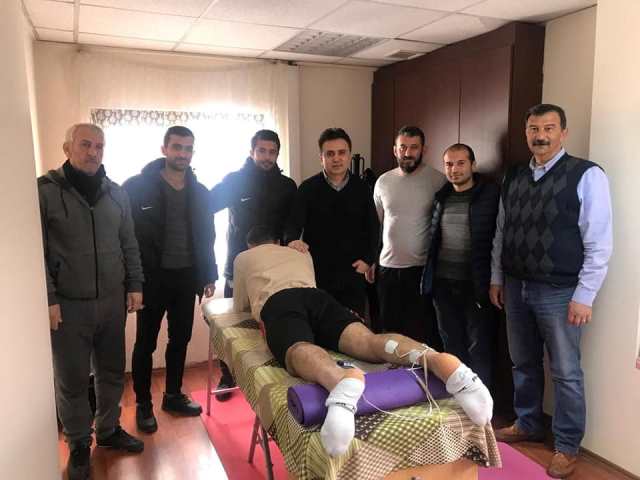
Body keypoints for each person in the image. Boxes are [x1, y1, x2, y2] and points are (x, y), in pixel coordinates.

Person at [233, 226, 493, 457]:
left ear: (251, 245)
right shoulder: (299, 252)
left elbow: (240, 306)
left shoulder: (244, 257)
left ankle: (339, 380)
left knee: (299, 348)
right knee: (369, 341)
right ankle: (434, 359)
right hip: (317, 297)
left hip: (279, 302)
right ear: (277, 241)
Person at [489, 104, 613, 479]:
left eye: (548, 128)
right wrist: (497, 278)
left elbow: (599, 242)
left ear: (563, 132)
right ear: (526, 133)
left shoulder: (586, 175)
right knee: (522, 362)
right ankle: (527, 423)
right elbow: (501, 232)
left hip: (561, 292)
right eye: (533, 128)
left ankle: (567, 445)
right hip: (515, 285)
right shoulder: (514, 177)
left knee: (566, 372)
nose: (540, 135)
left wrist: (585, 296)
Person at [39, 123, 145, 480]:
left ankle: (109, 429)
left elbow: (129, 242)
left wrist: (135, 284)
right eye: (85, 144)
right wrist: (48, 298)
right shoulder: (44, 192)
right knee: (71, 379)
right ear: (67, 148)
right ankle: (79, 444)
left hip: (112, 301)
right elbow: (36, 251)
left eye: (99, 146)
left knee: (112, 371)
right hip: (68, 305)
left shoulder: (116, 194)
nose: (93, 152)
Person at [123, 126, 217, 433]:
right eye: (177, 147)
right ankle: (143, 404)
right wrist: (132, 282)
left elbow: (207, 236)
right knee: (145, 344)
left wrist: (208, 273)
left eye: (188, 148)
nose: (182, 154)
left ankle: (173, 395)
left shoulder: (200, 192)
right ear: (164, 149)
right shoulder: (137, 187)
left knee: (180, 340)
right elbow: (125, 235)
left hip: (186, 278)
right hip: (151, 279)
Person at [210, 129, 297, 399]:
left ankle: (267, 375)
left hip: (274, 270)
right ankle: (227, 376)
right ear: (252, 152)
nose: (267, 157)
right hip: (238, 267)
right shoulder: (234, 181)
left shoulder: (287, 186)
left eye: (272, 152)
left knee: (271, 323)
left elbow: (293, 225)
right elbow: (205, 205)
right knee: (232, 326)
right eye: (262, 151)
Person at [421, 144, 500, 388]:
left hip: (476, 285)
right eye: (449, 164)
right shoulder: (441, 197)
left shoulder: (490, 195)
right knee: (451, 348)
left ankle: (482, 403)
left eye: (460, 163)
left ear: (473, 165)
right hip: (443, 285)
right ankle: (457, 400)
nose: (454, 169)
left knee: (479, 348)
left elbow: (499, 239)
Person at [285, 128, 379, 317]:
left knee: (353, 327)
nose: (336, 158)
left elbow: (373, 228)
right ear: (321, 158)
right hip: (317, 274)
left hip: (353, 274)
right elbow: (293, 224)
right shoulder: (307, 189)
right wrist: (292, 240)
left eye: (341, 153)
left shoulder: (362, 188)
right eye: (330, 154)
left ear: (349, 155)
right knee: (320, 325)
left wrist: (368, 260)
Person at [372, 126, 447, 347]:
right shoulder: (383, 182)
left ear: (424, 149)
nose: (408, 153)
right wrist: (372, 260)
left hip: (421, 270)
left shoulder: (438, 180)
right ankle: (392, 370)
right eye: (403, 147)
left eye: (414, 147)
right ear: (395, 150)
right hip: (387, 268)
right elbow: (377, 225)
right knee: (390, 334)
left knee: (422, 333)